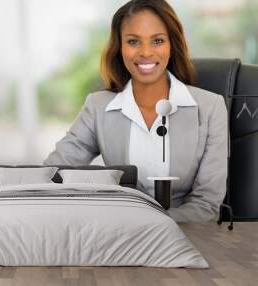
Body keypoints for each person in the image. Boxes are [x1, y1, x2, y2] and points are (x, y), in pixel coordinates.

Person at [43, 0, 227, 223]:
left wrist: (145, 224)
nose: (146, 52)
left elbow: (206, 204)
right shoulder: (99, 107)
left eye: (157, 40)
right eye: (133, 41)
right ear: (119, 48)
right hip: (116, 234)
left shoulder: (210, 108)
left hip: (186, 236)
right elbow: (51, 174)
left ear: (172, 45)